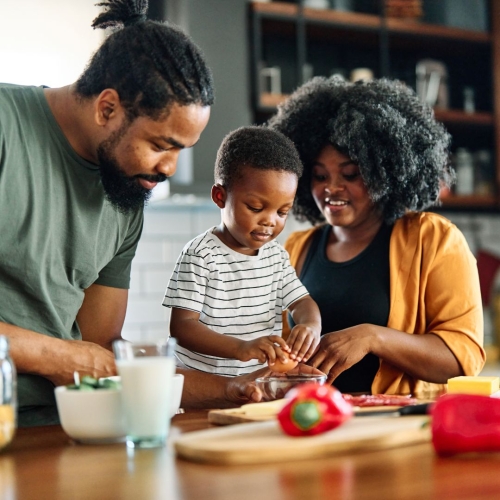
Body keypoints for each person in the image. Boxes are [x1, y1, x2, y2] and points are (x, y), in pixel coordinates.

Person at [0, 0, 213, 426]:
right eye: (160, 145)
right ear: (107, 108)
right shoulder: (7, 127)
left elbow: (101, 348)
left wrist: (238, 388)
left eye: (180, 152)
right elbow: (75, 358)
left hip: (60, 428)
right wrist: (56, 355)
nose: (169, 169)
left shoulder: (127, 192)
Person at [268, 76, 485, 397]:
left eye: (351, 174)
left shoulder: (433, 238)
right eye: (319, 175)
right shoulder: (297, 248)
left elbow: (463, 355)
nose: (332, 189)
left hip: (393, 427)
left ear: (385, 170)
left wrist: (373, 337)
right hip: (308, 421)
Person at [163, 126, 322, 376]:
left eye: (282, 212)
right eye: (256, 207)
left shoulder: (275, 256)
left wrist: (310, 325)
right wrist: (241, 348)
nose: (270, 221)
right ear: (220, 196)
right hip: (204, 388)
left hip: (257, 384)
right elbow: (182, 328)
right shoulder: (201, 255)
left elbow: (301, 302)